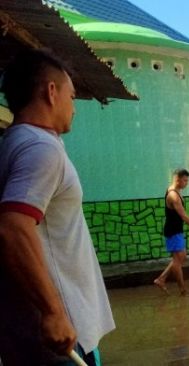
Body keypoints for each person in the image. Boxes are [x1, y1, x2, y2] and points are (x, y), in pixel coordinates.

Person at [0, 49, 114, 365]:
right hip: (60, 333)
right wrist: (53, 312)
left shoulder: (15, 142)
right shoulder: (40, 148)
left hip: (38, 329)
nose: (74, 109)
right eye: (72, 96)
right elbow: (14, 226)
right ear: (51, 92)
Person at [154, 169, 189, 296]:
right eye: (185, 180)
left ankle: (161, 279)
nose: (187, 183)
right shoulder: (173, 195)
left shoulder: (176, 191)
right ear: (177, 180)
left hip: (176, 230)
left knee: (181, 258)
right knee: (178, 261)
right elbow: (183, 216)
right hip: (173, 231)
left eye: (187, 180)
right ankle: (183, 290)